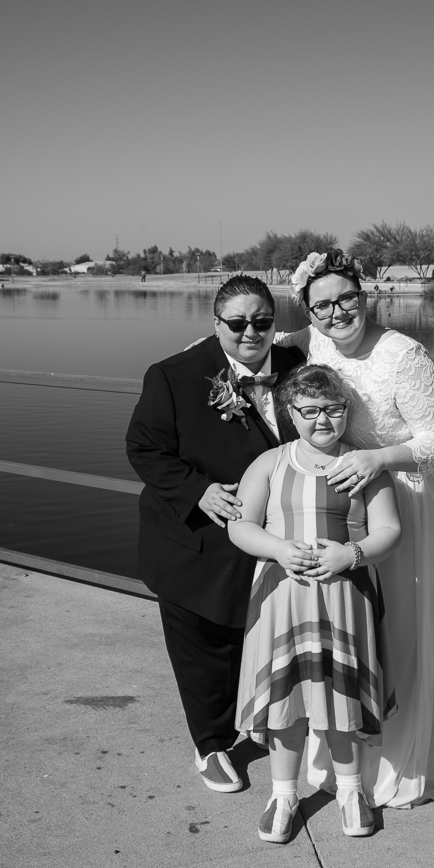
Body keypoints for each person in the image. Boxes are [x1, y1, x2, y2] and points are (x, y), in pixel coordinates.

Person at [275, 249, 434, 808]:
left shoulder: (403, 354)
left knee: (406, 629)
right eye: (321, 305)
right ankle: (349, 755)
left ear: (365, 296)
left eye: (346, 299)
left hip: (412, 496)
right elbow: (269, 341)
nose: (336, 313)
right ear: (310, 312)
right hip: (353, 500)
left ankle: (407, 761)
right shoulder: (317, 341)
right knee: (354, 624)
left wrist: (379, 458)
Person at [126, 276, 304, 795]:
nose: (251, 332)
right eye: (238, 322)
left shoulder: (297, 367)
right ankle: (211, 744)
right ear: (216, 322)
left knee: (268, 636)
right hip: (198, 540)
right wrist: (197, 491)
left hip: (273, 536)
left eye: (262, 321)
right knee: (206, 647)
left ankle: (265, 718)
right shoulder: (173, 375)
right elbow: (144, 448)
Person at [229, 364, 401, 842]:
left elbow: (390, 531)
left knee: (342, 696)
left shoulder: (364, 466)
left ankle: (350, 791)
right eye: (309, 411)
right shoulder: (270, 463)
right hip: (282, 598)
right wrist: (279, 549)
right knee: (285, 699)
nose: (322, 420)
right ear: (290, 412)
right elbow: (240, 526)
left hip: (347, 598)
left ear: (346, 410)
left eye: (333, 409)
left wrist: (351, 554)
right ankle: (283, 794)